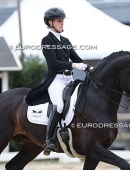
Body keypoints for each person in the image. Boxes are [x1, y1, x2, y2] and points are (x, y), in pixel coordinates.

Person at [26, 7, 90, 153]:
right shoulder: (46, 40)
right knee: (59, 106)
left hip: (69, 79)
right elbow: (54, 64)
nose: (62, 24)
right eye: (59, 21)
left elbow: (77, 59)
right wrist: (74, 65)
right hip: (55, 80)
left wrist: (90, 68)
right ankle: (49, 140)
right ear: (50, 22)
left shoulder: (66, 41)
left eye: (62, 21)